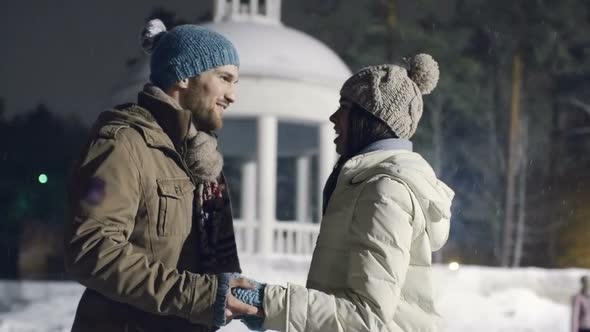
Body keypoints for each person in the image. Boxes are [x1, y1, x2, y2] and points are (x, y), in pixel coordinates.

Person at [232, 53, 455, 331]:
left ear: (370, 117)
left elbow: (366, 316)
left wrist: (267, 301)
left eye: (345, 107)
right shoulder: (369, 183)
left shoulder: (385, 191)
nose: (334, 117)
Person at [64, 19, 260, 332]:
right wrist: (199, 295)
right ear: (183, 76)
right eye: (225, 79)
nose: (232, 95)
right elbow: (91, 251)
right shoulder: (123, 143)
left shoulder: (200, 158)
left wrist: (230, 292)